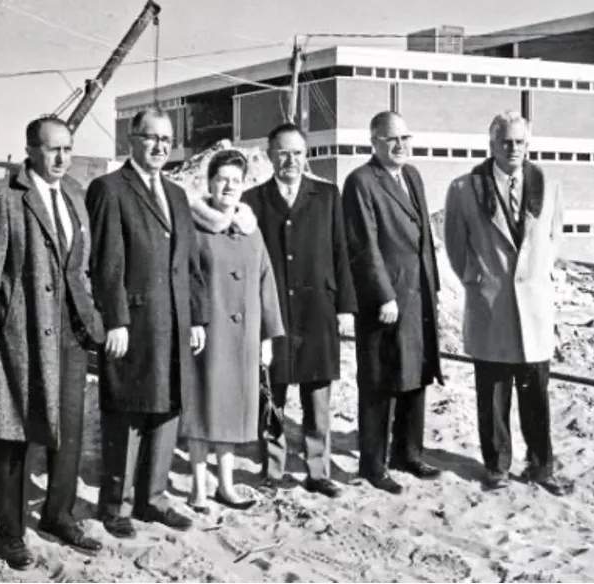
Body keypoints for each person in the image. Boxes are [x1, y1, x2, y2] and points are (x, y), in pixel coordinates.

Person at [0, 115, 105, 569]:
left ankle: (58, 515)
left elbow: (79, 268)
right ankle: (9, 531)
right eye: (51, 149)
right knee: (14, 432)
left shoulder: (75, 197)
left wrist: (92, 319)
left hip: (69, 332)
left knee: (68, 429)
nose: (62, 157)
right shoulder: (2, 196)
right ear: (30, 151)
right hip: (19, 333)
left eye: (68, 147)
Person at [86, 108, 209, 539]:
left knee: (167, 406)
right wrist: (114, 321)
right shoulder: (109, 189)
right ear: (132, 140)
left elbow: (189, 262)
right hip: (133, 322)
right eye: (151, 137)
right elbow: (106, 263)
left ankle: (152, 499)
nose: (160, 146)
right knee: (128, 410)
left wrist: (197, 317)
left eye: (166, 139)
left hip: (175, 320)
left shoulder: (176, 193)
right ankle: (115, 504)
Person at [443, 111, 566, 495]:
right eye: (506, 142)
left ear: (528, 145)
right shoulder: (464, 189)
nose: (513, 149)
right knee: (493, 393)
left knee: (536, 393)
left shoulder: (548, 185)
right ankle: (496, 466)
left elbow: (554, 237)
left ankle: (540, 465)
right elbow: (454, 244)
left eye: (520, 142)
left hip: (532, 308)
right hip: (490, 304)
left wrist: (537, 277)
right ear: (492, 145)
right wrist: (478, 281)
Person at [241, 123, 356, 499]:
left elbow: (341, 252)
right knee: (272, 394)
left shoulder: (326, 195)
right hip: (272, 313)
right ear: (269, 155)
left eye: (297, 153)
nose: (290, 160)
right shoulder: (252, 200)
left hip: (317, 310)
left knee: (317, 395)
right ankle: (272, 469)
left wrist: (345, 307)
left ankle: (317, 470)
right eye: (283, 153)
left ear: (306, 156)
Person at [342, 111, 443, 495]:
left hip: (418, 298)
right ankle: (373, 464)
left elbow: (424, 239)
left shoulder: (413, 176)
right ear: (374, 142)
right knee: (380, 382)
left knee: (415, 376)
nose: (400, 146)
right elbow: (363, 245)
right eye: (391, 139)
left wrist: (432, 287)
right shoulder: (361, 182)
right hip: (384, 302)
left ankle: (408, 453)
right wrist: (383, 294)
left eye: (405, 138)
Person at [183, 149, 285, 511]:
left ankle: (225, 484)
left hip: (244, 336)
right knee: (201, 408)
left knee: (230, 410)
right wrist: (194, 320)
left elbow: (266, 280)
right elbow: (187, 277)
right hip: (206, 335)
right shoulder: (194, 226)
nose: (228, 186)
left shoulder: (251, 229)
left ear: (244, 186)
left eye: (236, 180)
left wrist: (269, 337)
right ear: (209, 182)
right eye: (222, 178)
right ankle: (197, 488)